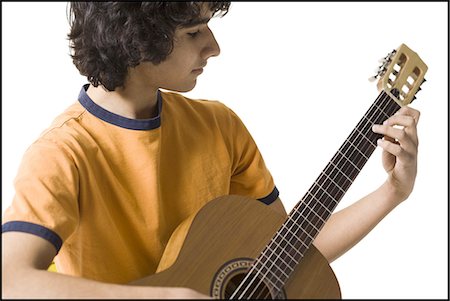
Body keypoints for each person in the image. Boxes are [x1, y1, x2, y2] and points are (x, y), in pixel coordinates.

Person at [2, 2, 420, 299]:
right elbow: (11, 280)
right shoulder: (63, 153)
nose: (214, 46)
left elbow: (285, 256)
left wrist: (392, 193)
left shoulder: (220, 126)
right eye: (193, 32)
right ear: (135, 39)